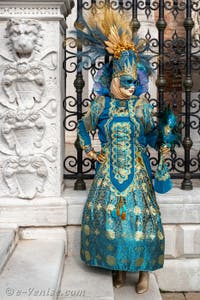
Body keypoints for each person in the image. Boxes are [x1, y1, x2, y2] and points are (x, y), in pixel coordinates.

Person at [76, 6, 171, 294]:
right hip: (108, 172)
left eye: (134, 82)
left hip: (137, 173)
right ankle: (116, 267)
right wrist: (92, 153)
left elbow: (153, 136)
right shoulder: (101, 106)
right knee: (112, 219)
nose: (132, 88)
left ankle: (143, 272)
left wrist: (164, 140)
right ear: (115, 80)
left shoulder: (141, 107)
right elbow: (83, 127)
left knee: (141, 218)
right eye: (126, 82)